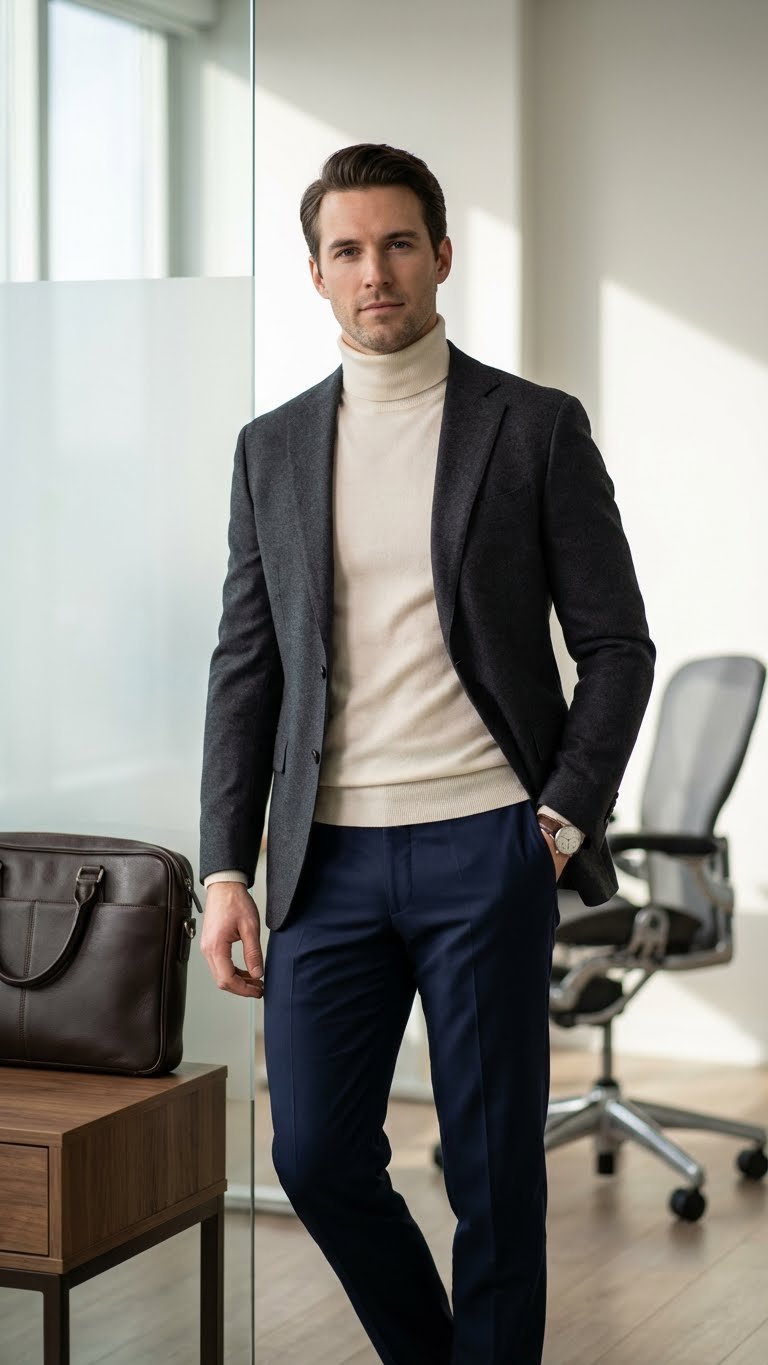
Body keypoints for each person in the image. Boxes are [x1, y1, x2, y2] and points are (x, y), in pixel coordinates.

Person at [198, 143, 655, 1364]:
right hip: (326, 859)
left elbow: (617, 644)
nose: (376, 272)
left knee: (496, 1170)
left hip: (486, 845)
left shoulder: (535, 428)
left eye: (399, 243)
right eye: (347, 250)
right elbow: (248, 668)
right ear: (316, 274)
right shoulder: (272, 449)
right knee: (313, 1153)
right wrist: (224, 869)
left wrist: (556, 820)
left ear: (441, 256)